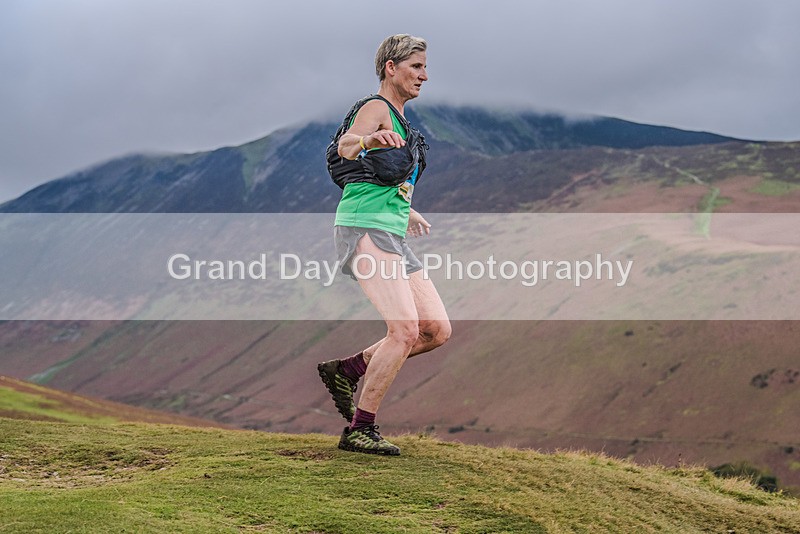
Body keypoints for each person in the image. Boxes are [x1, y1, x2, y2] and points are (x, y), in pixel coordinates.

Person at [318, 34, 451, 456]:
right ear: (391, 67)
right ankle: (361, 429)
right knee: (404, 330)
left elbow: (386, 179)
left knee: (435, 329)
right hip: (363, 228)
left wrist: (406, 209)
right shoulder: (375, 109)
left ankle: (348, 369)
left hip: (389, 230)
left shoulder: (405, 122)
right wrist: (368, 141)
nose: (424, 75)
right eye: (416, 66)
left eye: (425, 67)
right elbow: (347, 145)